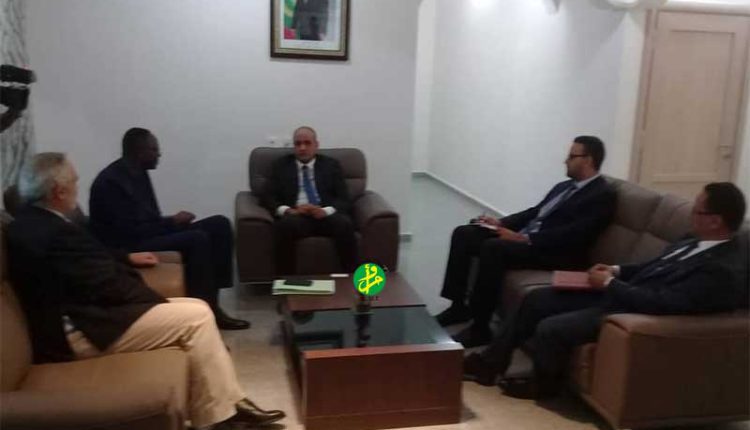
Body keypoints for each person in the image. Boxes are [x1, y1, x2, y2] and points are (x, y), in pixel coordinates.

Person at [7, 153, 286, 429]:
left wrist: (126, 259)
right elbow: (107, 285)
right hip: (84, 330)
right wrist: (154, 301)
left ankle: (228, 407)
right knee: (196, 318)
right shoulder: (53, 233)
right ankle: (223, 416)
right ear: (58, 191)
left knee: (196, 308)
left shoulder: (35, 223)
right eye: (74, 182)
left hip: (85, 316)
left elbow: (90, 261)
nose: (77, 189)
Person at [464, 183, 747, 399]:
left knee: (551, 328)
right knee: (537, 299)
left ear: (716, 221)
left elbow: (663, 302)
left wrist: (611, 285)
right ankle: (490, 364)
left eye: (697, 211)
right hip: (621, 291)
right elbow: (652, 266)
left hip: (632, 309)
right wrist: (615, 270)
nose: (691, 216)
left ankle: (544, 385)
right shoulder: (692, 239)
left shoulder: (720, 270)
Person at [437, 136, 617, 347]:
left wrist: (525, 238)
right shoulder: (564, 186)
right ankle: (458, 306)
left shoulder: (601, 194)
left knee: (494, 248)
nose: (565, 161)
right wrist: (500, 223)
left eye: (571, 156)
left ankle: (480, 328)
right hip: (530, 239)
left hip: (555, 252)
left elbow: (575, 234)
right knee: (464, 233)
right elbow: (534, 212)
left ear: (588, 160)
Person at [88, 128, 248, 330]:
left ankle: (214, 298)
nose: (159, 154)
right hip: (129, 247)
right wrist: (171, 223)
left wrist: (171, 221)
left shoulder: (138, 173)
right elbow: (129, 232)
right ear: (140, 151)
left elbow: (146, 220)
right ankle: (204, 310)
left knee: (219, 224)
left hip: (145, 233)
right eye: (154, 150)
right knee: (197, 239)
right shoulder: (111, 183)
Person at [263, 126, 357, 273]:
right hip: (296, 217)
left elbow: (343, 198)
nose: (302, 148)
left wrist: (324, 211)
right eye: (298, 143)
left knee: (345, 224)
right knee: (283, 227)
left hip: (325, 216)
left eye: (307, 143)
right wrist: (288, 210)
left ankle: (351, 277)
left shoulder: (331, 165)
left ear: (316, 145)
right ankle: (287, 281)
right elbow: (267, 196)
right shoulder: (281, 166)